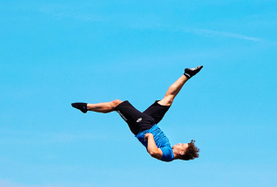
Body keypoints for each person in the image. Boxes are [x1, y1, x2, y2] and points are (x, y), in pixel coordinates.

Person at [71, 66, 203, 162]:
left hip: (143, 127)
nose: (179, 143)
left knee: (117, 103)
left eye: (182, 145)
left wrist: (150, 136)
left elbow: (153, 152)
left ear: (181, 152)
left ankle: (86, 107)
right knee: (167, 100)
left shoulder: (168, 154)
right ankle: (187, 74)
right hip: (149, 123)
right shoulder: (169, 153)